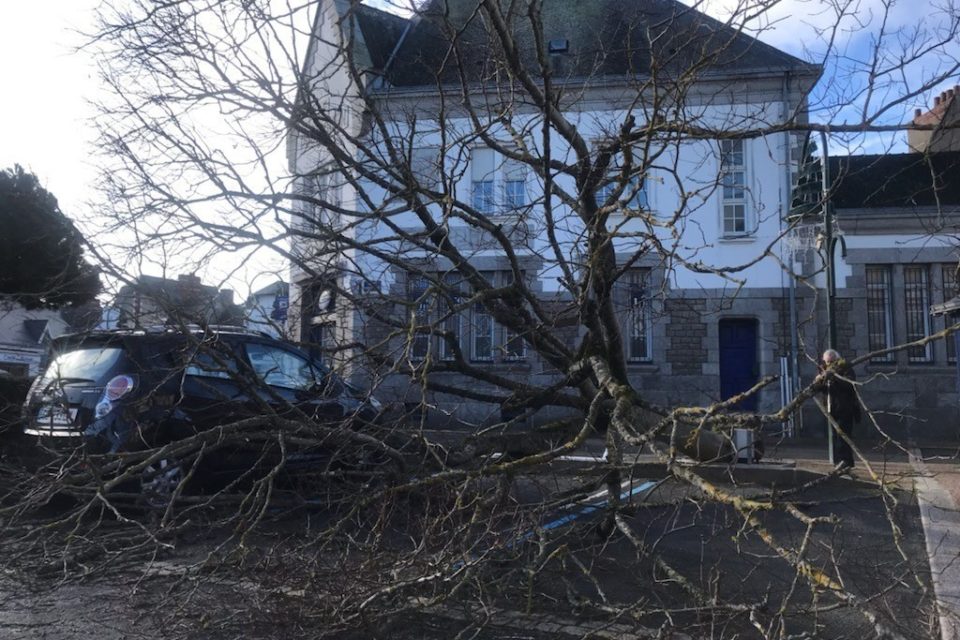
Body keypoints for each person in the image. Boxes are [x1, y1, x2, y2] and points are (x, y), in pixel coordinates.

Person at [819, 349, 862, 469]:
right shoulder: (823, 369)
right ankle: (839, 460)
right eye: (827, 362)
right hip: (831, 408)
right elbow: (822, 388)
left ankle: (846, 461)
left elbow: (849, 384)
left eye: (831, 362)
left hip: (844, 408)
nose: (829, 365)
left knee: (843, 436)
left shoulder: (845, 368)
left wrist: (834, 378)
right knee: (835, 436)